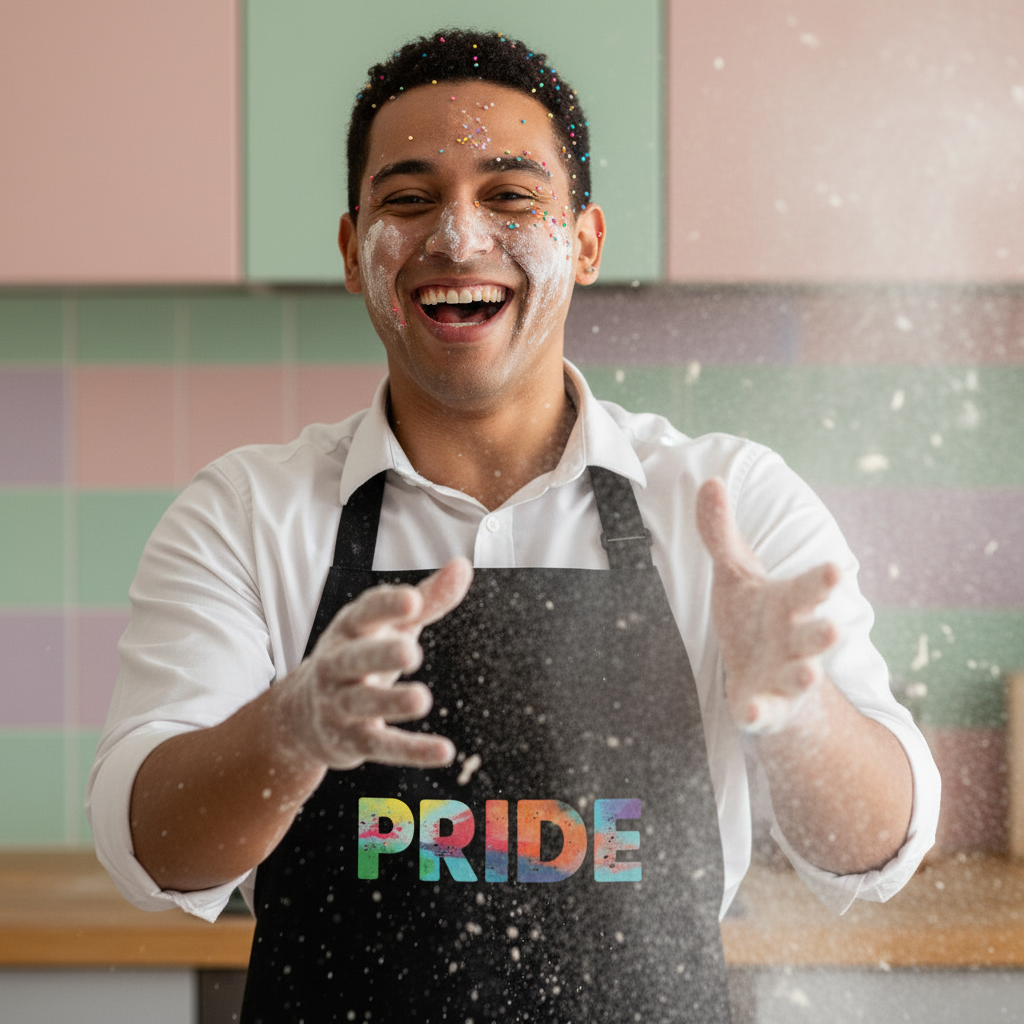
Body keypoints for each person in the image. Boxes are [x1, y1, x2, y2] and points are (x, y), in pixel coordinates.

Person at [87, 28, 940, 1023]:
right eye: (407, 199)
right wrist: (288, 731)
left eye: (510, 196)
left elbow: (877, 845)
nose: (456, 238)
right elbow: (147, 846)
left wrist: (798, 718)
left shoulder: (726, 506)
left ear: (583, 241)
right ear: (351, 247)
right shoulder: (247, 515)